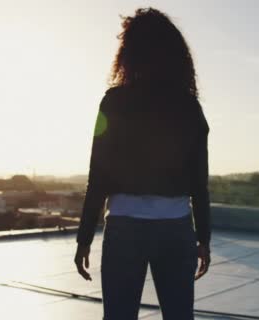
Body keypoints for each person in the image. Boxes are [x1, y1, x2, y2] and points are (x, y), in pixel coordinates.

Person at [74, 8, 211, 320]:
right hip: (176, 228)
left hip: (124, 227)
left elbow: (98, 176)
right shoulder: (189, 107)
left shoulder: (113, 102)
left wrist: (84, 239)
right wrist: (204, 239)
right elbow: (199, 183)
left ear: (129, 53)